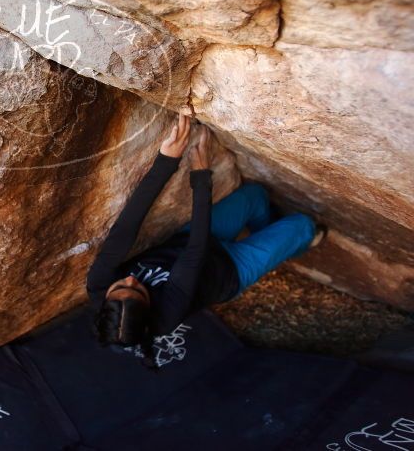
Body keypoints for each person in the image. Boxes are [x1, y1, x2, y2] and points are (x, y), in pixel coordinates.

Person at [87, 112, 325, 356]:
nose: (131, 280)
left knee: (255, 197)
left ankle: (268, 234)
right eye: (139, 290)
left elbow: (126, 227)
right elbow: (194, 254)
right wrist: (201, 178)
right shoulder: (166, 315)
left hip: (192, 237)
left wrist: (167, 161)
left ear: (106, 299)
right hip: (229, 269)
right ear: (148, 309)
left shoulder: (98, 285)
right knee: (303, 225)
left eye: (121, 285)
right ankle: (297, 243)